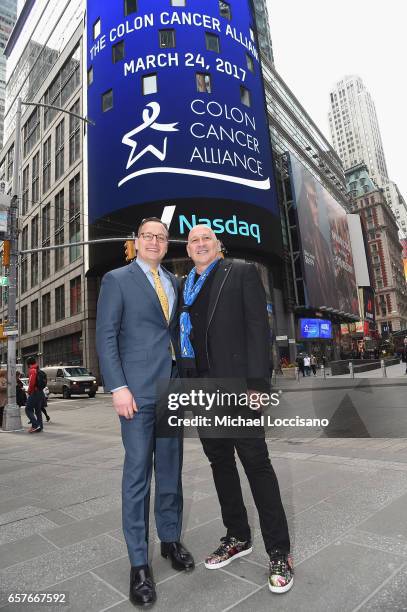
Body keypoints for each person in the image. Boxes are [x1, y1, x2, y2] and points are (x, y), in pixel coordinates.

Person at [179, 225, 293, 595]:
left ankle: (279, 551)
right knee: (220, 465)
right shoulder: (185, 287)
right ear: (188, 248)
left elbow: (259, 330)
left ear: (218, 245)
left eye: (206, 239)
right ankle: (237, 536)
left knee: (256, 464)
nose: (200, 244)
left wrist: (258, 385)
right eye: (194, 240)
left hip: (238, 389)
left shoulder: (240, 271)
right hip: (201, 391)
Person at [96, 217, 194, 608]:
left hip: (170, 388)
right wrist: (118, 387)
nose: (154, 241)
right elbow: (106, 335)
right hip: (135, 393)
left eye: (161, 237)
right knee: (138, 475)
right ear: (135, 241)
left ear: (167, 244)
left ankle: (170, 540)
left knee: (171, 469)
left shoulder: (174, 281)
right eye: (147, 236)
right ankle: (139, 563)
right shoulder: (116, 280)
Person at [25, 357, 46, 433]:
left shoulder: (32, 370)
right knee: (38, 410)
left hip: (35, 392)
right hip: (40, 392)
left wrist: (29, 391)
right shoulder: (38, 369)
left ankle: (35, 425)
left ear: (29, 364)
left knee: (28, 409)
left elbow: (31, 383)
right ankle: (40, 426)